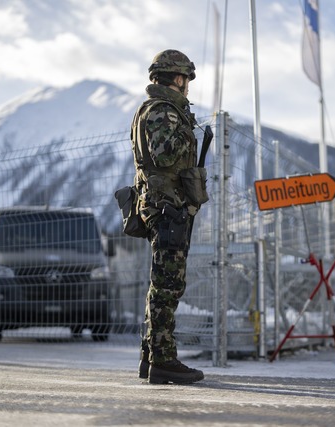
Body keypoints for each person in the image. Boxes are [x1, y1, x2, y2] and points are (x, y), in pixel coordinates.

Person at [130, 49, 205, 384]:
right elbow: (165, 155)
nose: (187, 85)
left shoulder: (160, 110)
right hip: (167, 205)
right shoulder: (162, 111)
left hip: (165, 204)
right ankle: (163, 358)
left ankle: (151, 358)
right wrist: (184, 127)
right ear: (177, 77)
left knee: (162, 280)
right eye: (186, 78)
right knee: (168, 283)